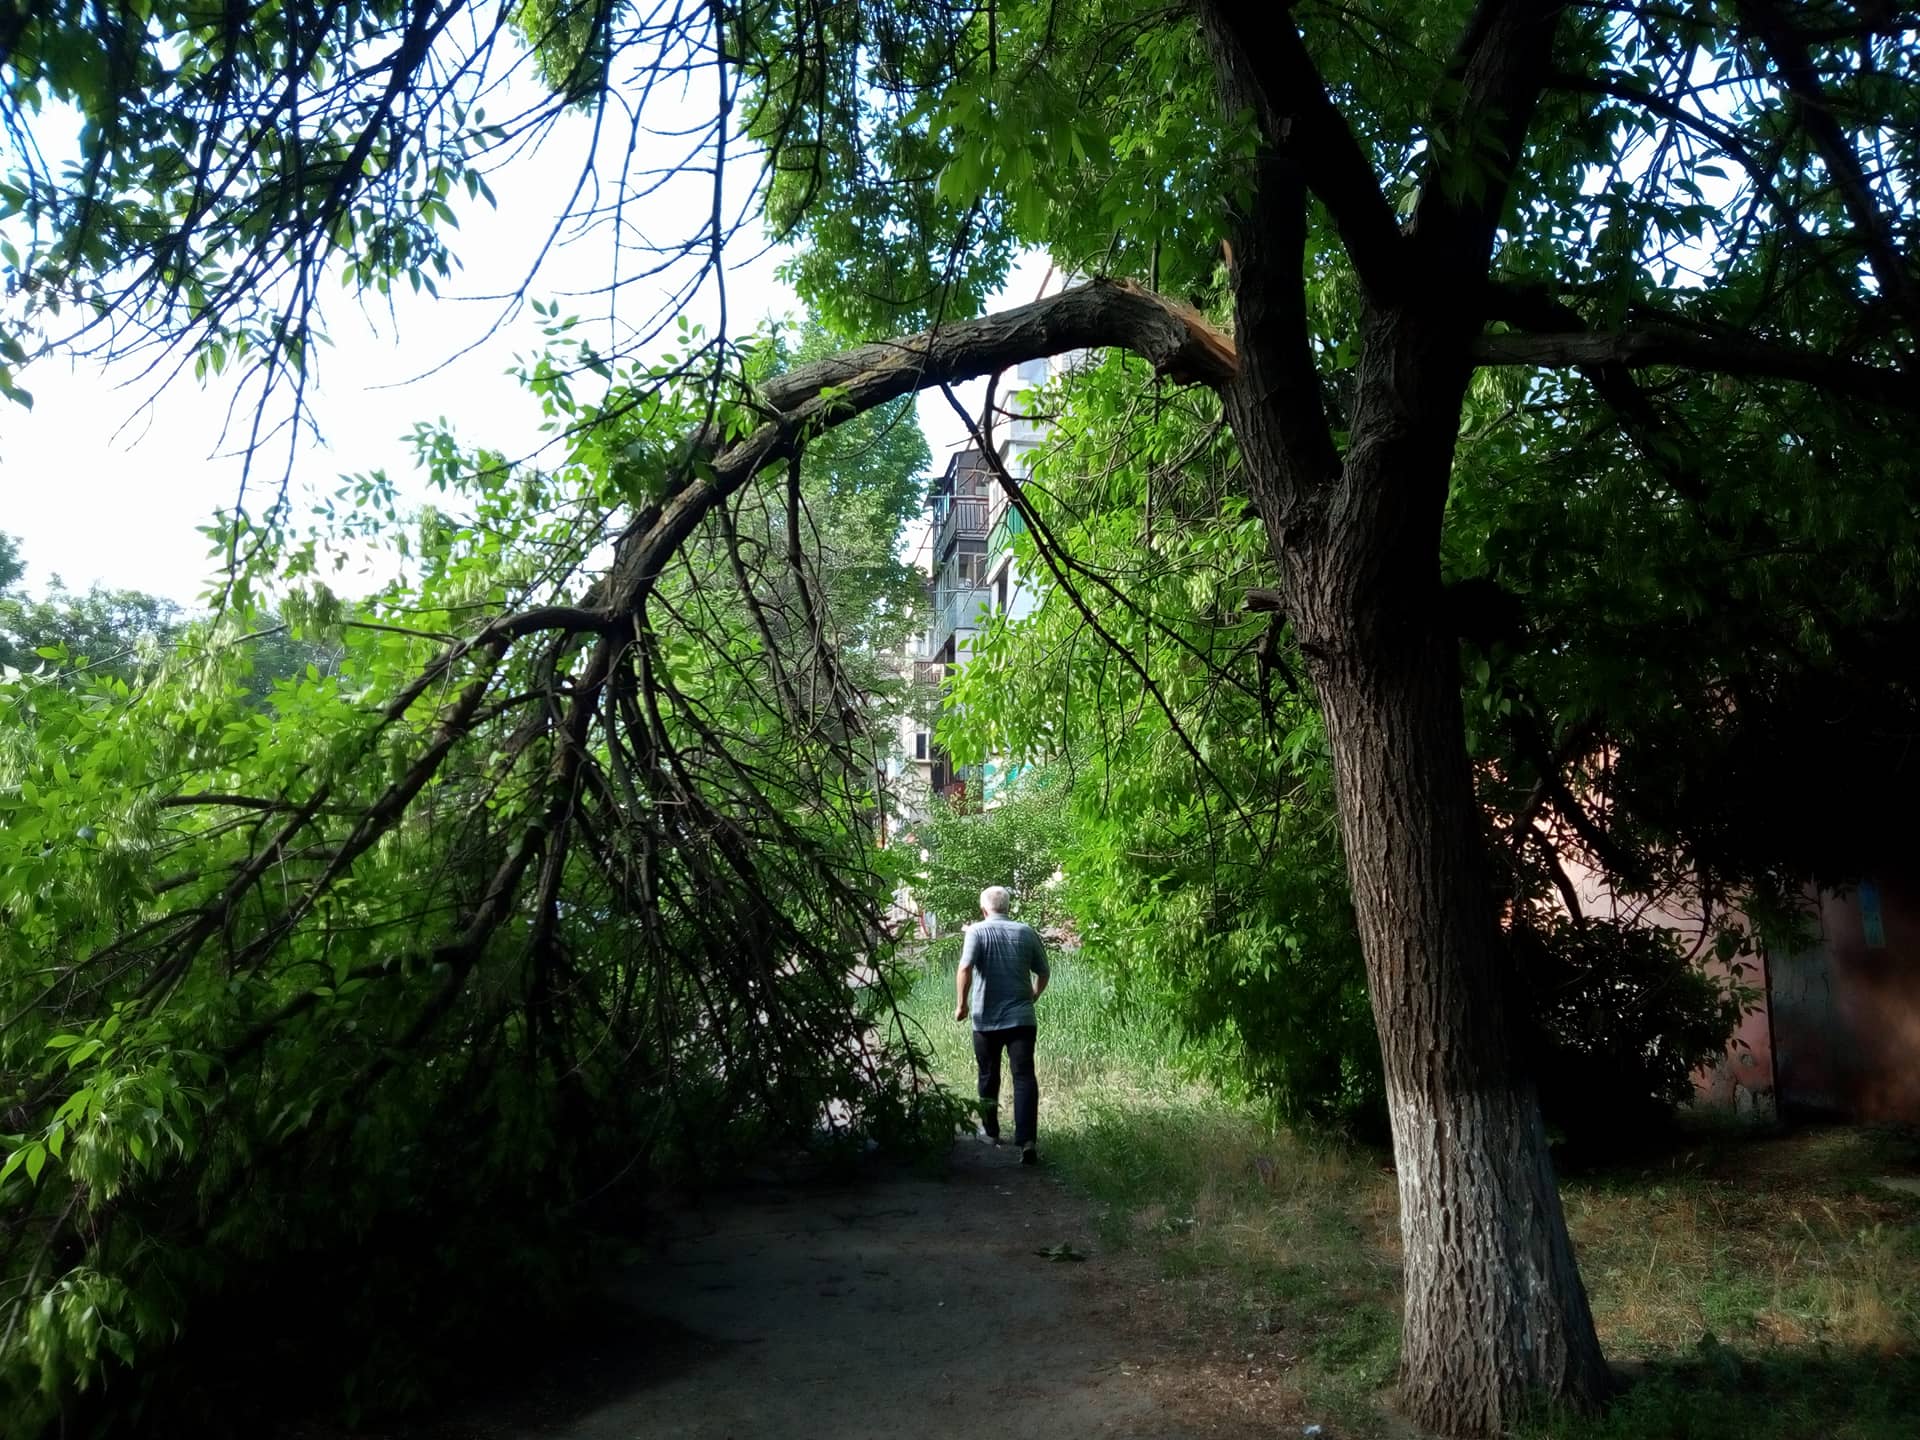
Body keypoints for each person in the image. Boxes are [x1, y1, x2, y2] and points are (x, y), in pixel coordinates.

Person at [954, 885, 1050, 1164]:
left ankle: (991, 1131)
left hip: (986, 1019)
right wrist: (1034, 994)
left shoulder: (976, 931)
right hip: (1022, 1018)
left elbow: (965, 967)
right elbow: (1043, 971)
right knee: (1024, 1076)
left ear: (984, 909)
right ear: (1008, 907)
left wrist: (961, 1005)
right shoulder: (1025, 932)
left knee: (988, 1074)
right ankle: (1027, 1140)